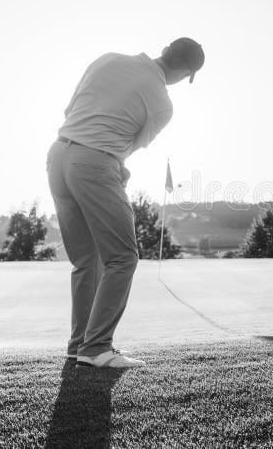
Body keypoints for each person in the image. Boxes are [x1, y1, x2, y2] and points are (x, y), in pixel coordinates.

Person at [46, 37, 204, 368]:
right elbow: (127, 147)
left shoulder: (107, 58)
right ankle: (97, 346)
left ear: (165, 50)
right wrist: (113, 165)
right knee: (123, 257)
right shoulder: (163, 103)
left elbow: (71, 110)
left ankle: (79, 345)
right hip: (94, 163)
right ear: (186, 73)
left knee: (86, 260)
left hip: (58, 155)